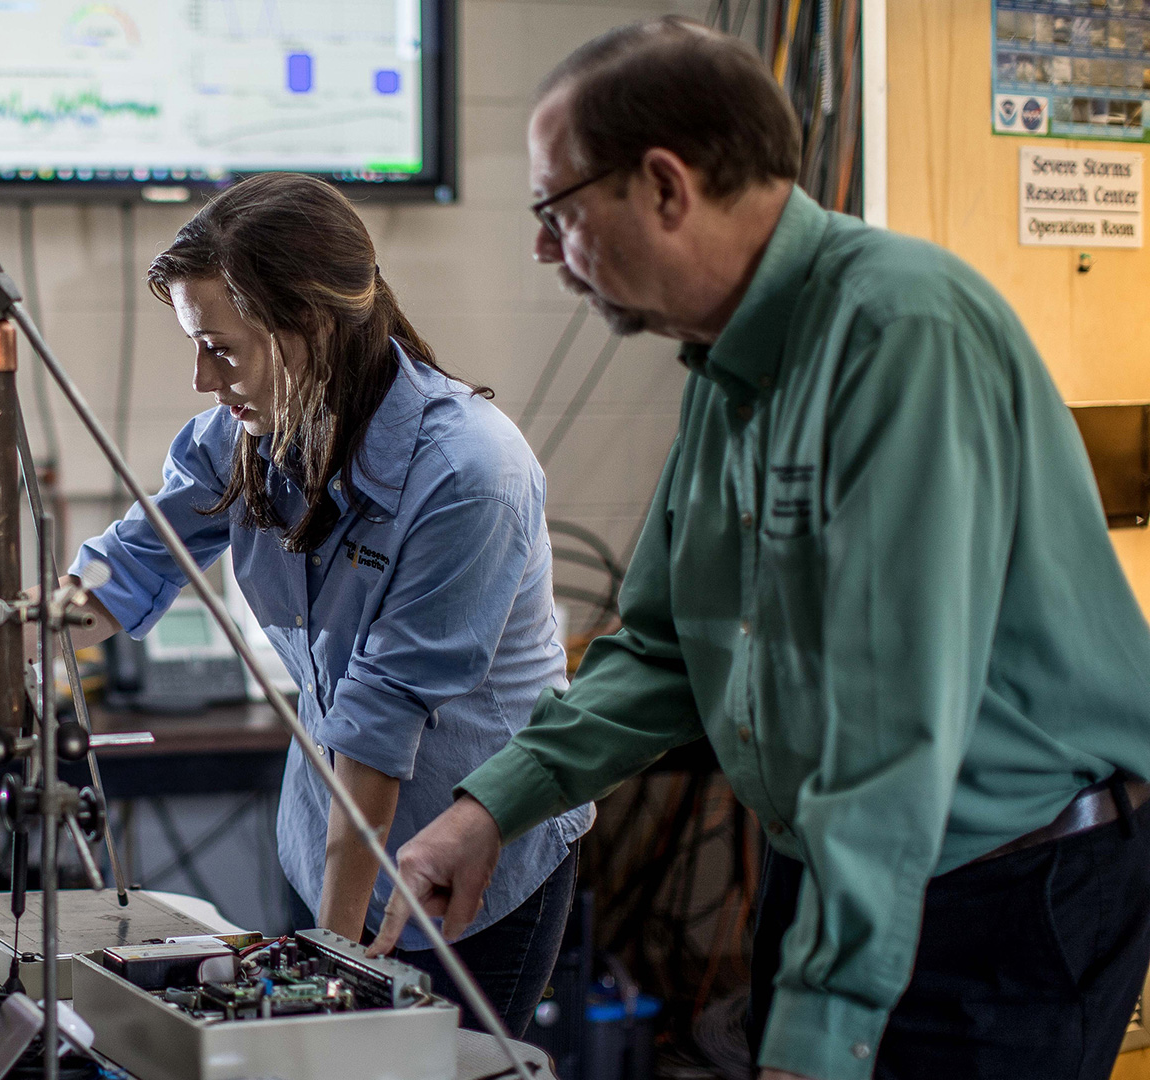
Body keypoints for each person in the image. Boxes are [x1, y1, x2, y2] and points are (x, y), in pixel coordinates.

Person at [369, 16, 1150, 1080]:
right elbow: (665, 652)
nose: (544, 251)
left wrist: (824, 1026)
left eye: (557, 210)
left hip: (998, 889)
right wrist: (493, 807)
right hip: (845, 863)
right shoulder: (731, 366)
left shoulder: (897, 334)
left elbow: (886, 724)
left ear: (663, 186)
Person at [0, 171, 593, 1034]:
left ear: (311, 327)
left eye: (219, 347)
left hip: (472, 865)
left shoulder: (469, 473)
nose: (199, 378)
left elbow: (378, 728)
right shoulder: (242, 437)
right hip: (329, 829)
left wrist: (322, 981)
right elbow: (110, 584)